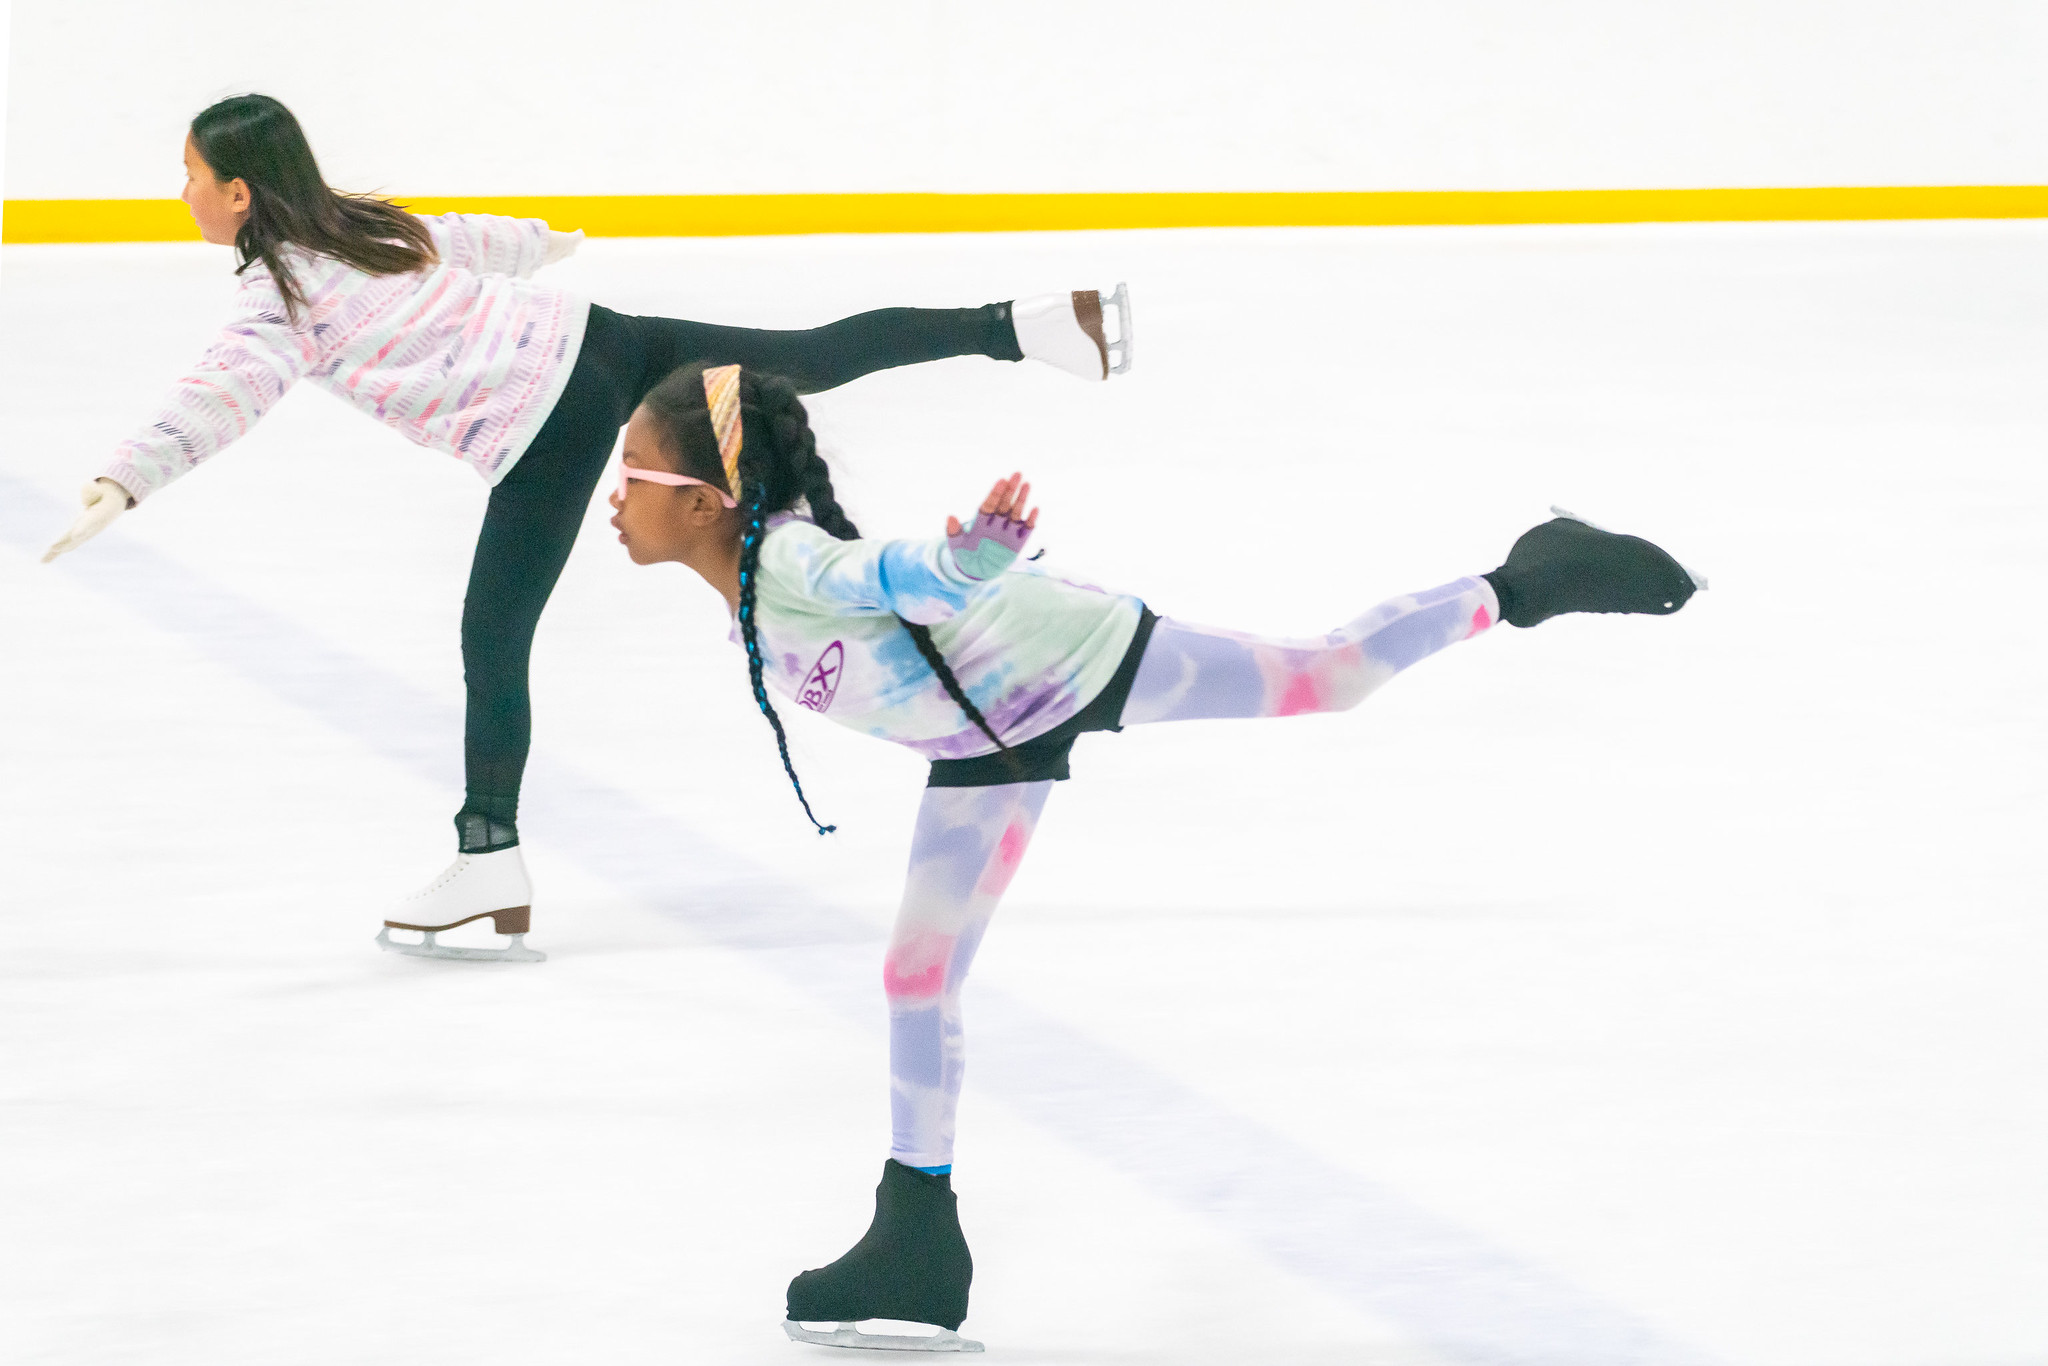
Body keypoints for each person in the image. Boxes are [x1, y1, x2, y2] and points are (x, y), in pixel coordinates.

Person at [608, 361, 1705, 1351]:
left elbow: (897, 580)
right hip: (984, 737)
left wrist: (963, 559)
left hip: (1062, 659)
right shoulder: (754, 575)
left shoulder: (792, 557)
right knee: (915, 975)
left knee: (1324, 679)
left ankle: (1523, 582)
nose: (614, 497)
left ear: (704, 501)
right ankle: (916, 1238)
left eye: (635, 473)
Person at [38, 94, 1133, 963]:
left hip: (542, 424)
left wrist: (118, 483)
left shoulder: (275, 300)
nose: (178, 192)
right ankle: (1028, 327)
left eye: (187, 175)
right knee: (808, 352)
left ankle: (489, 858)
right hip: (602, 339)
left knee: (490, 643)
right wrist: (542, 246)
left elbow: (213, 398)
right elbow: (466, 240)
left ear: (235, 194)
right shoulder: (363, 230)